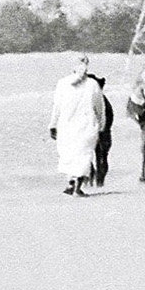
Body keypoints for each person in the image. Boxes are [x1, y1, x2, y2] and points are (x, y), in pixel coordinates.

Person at [47, 58, 110, 197]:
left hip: (66, 126)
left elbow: (57, 106)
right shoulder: (93, 84)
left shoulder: (62, 83)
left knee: (69, 153)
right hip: (87, 126)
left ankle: (70, 183)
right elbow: (100, 108)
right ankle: (77, 187)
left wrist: (52, 124)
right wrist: (102, 126)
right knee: (84, 155)